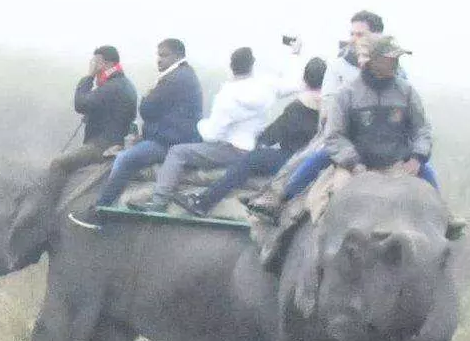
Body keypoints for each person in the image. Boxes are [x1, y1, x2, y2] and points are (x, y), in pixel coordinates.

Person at [267, 33, 435, 217]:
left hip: (397, 163)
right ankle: (282, 202)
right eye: (390, 59)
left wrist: (417, 158)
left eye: (397, 59)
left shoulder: (407, 92)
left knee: (429, 187)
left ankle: (446, 218)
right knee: (329, 198)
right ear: (373, 61)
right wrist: (354, 163)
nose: (395, 63)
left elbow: (422, 129)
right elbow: (335, 135)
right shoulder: (346, 94)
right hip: (354, 165)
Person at [181, 56, 323, 211]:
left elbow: (272, 134)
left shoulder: (298, 107)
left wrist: (254, 140)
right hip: (312, 158)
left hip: (290, 157)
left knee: (249, 160)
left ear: (305, 77)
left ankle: (203, 202)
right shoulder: (329, 105)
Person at [159, 46, 282, 206]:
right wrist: (296, 53)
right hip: (252, 149)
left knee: (177, 152)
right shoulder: (266, 88)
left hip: (231, 149)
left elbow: (212, 135)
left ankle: (158, 200)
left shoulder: (228, 95)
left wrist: (200, 124)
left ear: (231, 66)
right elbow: (296, 84)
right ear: (252, 65)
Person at [92, 37, 204, 210]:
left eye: (164, 55)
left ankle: (102, 208)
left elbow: (147, 109)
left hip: (169, 142)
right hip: (172, 137)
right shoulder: (185, 75)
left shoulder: (174, 79)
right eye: (158, 55)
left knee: (124, 159)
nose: (159, 59)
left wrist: (147, 97)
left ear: (177, 56)